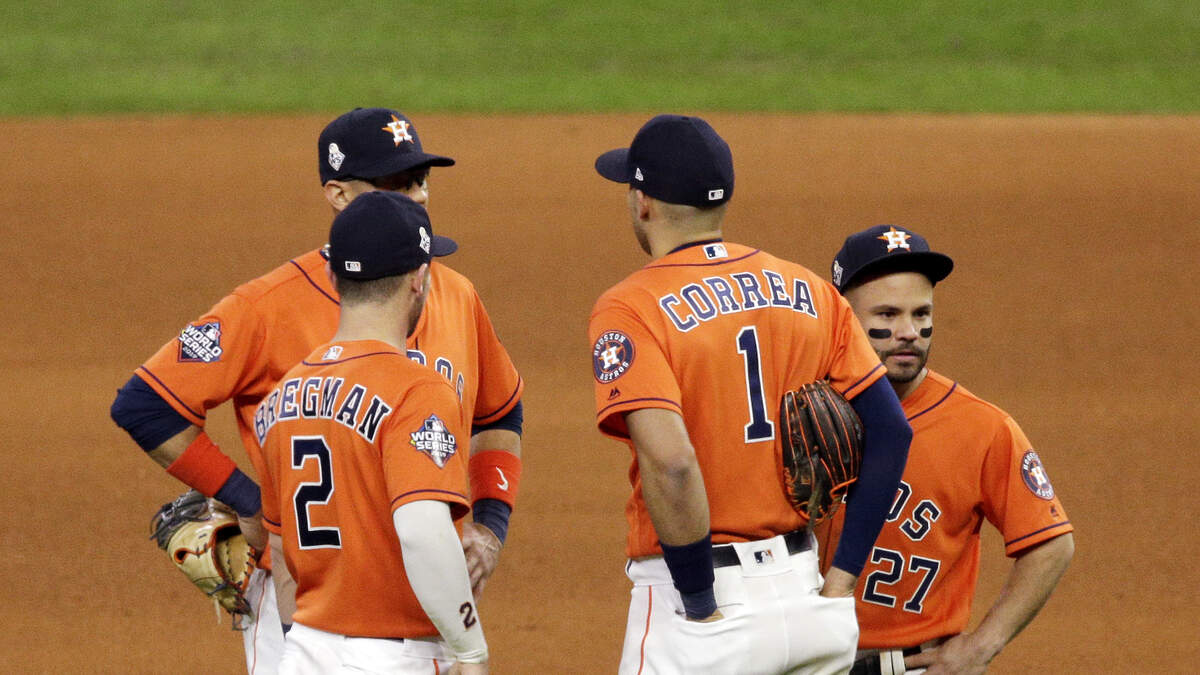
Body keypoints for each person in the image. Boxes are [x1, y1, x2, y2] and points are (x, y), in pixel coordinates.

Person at [110, 108, 524, 673]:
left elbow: (500, 411)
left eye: (420, 179)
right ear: (337, 194)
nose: (418, 195)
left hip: (425, 606)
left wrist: (491, 526)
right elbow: (145, 404)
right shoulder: (266, 307)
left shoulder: (457, 294)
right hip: (307, 603)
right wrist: (250, 500)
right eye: (395, 182)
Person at [588, 114, 913, 674]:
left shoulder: (631, 306)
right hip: (809, 597)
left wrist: (699, 606)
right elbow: (891, 430)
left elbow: (671, 462)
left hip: (702, 607)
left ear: (642, 202)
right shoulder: (810, 289)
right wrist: (841, 580)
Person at [821, 224, 1075, 675]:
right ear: (843, 316)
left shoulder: (981, 427)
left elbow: (1051, 544)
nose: (908, 332)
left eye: (921, 313)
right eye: (887, 314)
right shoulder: (800, 410)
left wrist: (982, 646)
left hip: (911, 664)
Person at [257, 191, 487, 672]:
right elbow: (423, 531)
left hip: (303, 651)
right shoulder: (418, 390)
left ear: (332, 277)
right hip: (393, 655)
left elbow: (279, 549)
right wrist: (469, 648)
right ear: (419, 280)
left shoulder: (283, 395)